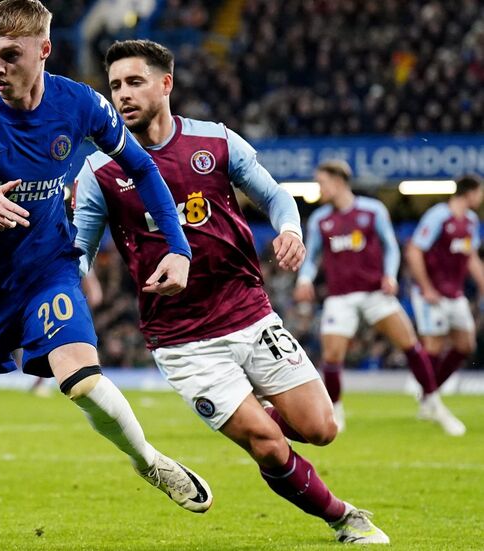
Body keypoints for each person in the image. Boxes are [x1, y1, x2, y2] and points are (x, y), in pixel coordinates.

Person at [0, 2, 212, 547]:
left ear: (43, 50)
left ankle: (150, 461)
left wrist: (178, 246)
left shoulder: (80, 103)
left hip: (47, 270)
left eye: (10, 55)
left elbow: (141, 167)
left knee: (81, 379)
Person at [73, 40, 388, 544]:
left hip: (251, 315)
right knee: (266, 444)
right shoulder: (99, 173)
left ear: (165, 84)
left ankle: (257, 410)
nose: (123, 95)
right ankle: (343, 518)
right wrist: (58, 281)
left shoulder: (215, 142)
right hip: (182, 340)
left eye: (134, 82)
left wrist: (290, 230)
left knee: (321, 428)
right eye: (114, 86)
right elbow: (80, 252)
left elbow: (275, 194)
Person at [294, 161, 461, 436]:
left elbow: (391, 247)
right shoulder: (319, 219)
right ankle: (336, 410)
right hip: (341, 297)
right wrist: (304, 279)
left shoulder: (372, 210)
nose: (318, 188)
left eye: (321, 182)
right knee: (332, 356)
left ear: (338, 181)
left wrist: (390, 276)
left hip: (375, 293)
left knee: (409, 343)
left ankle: (433, 402)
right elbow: (311, 257)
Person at [404, 173, 484, 433]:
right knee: (435, 345)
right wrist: (426, 288)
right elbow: (415, 250)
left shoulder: (471, 221)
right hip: (432, 293)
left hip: (455, 293)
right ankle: (432, 400)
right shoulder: (438, 215)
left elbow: (470, 255)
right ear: (470, 193)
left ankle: (429, 394)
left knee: (465, 343)